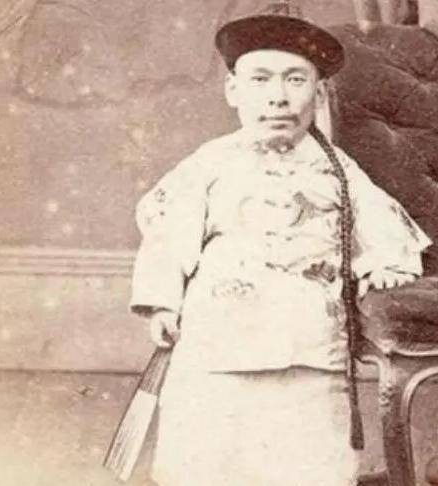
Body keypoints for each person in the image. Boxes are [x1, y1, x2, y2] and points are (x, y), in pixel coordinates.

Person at [129, 4, 432, 486]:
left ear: (319, 92)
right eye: (261, 80)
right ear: (233, 90)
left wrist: (383, 262)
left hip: (309, 336)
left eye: (295, 80)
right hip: (220, 335)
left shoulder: (337, 168)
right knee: (212, 446)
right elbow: (167, 235)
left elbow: (378, 219)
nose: (278, 97)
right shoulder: (210, 163)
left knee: (306, 444)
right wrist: (163, 302)